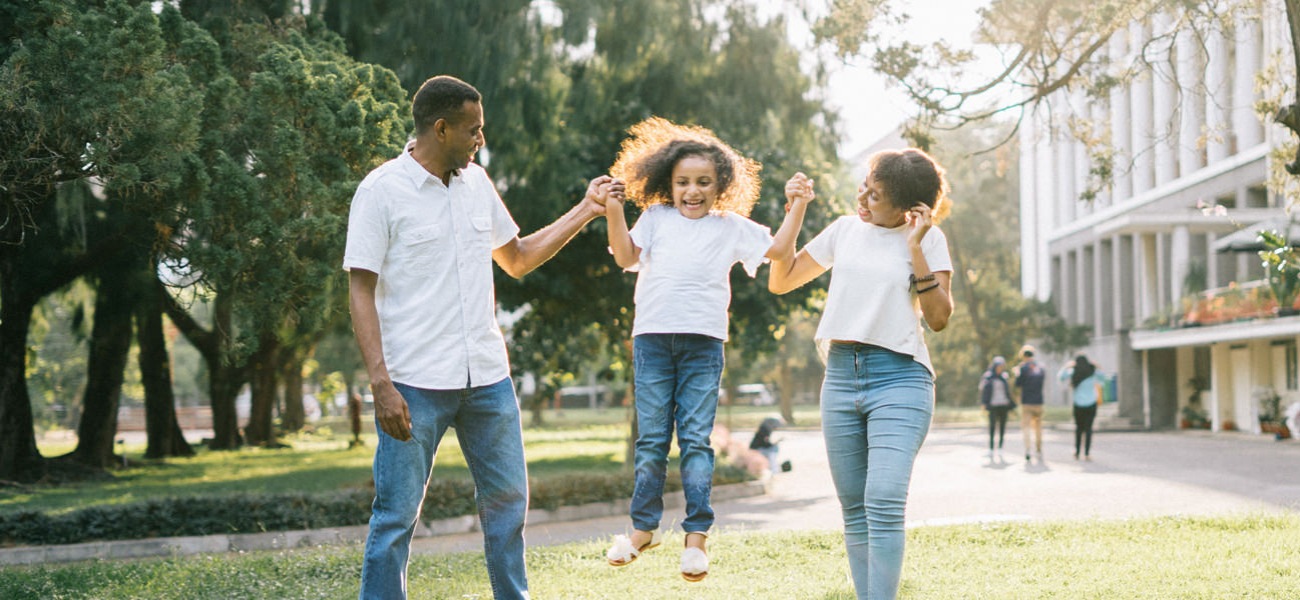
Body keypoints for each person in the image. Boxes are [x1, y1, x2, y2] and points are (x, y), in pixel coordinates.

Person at [344, 75, 615, 600]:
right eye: (474, 130)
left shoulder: (478, 184)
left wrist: (586, 209)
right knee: (396, 516)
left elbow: (516, 259)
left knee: (509, 505)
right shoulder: (381, 191)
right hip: (414, 384)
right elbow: (360, 290)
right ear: (440, 128)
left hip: (487, 378)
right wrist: (380, 383)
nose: (480, 140)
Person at [600, 117, 804, 582]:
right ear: (667, 184)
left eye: (703, 183)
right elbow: (626, 257)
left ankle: (696, 541)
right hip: (652, 340)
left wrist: (797, 205)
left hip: (703, 345)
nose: (692, 191)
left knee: (694, 440)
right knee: (652, 441)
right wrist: (613, 210)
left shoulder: (730, 226)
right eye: (683, 183)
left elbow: (778, 250)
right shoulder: (656, 218)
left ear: (721, 185)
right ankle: (642, 530)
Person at [769, 148, 954, 600]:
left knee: (884, 501)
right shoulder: (845, 230)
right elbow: (782, 279)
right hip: (840, 377)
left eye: (877, 194)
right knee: (854, 508)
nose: (864, 197)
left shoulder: (929, 239)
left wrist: (915, 248)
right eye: (865, 185)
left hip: (901, 379)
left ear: (909, 208)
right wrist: (796, 209)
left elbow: (940, 317)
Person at [1058, 354, 1105, 461]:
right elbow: (1102, 378)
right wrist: (1097, 366)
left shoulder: (1073, 372)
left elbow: (1061, 377)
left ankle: (1077, 452)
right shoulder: (1093, 372)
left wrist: (1066, 366)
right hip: (1091, 403)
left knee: (1079, 429)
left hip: (1078, 404)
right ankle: (1087, 453)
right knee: (1088, 429)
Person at [1012, 344, 1046, 461]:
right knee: (1038, 427)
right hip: (1039, 402)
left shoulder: (1023, 368)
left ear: (1023, 356)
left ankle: (1028, 449)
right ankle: (1039, 449)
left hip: (1027, 402)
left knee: (1026, 427)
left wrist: (1017, 373)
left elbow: (1018, 384)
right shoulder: (1040, 367)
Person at [979, 356, 1014, 458]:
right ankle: (990, 449)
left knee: (1002, 427)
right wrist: (984, 403)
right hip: (993, 405)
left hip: (1004, 405)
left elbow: (1008, 392)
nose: (1000, 368)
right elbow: (984, 391)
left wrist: (1011, 403)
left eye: (1001, 367)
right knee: (992, 427)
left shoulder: (1004, 377)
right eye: (998, 366)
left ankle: (1000, 448)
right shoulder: (988, 377)